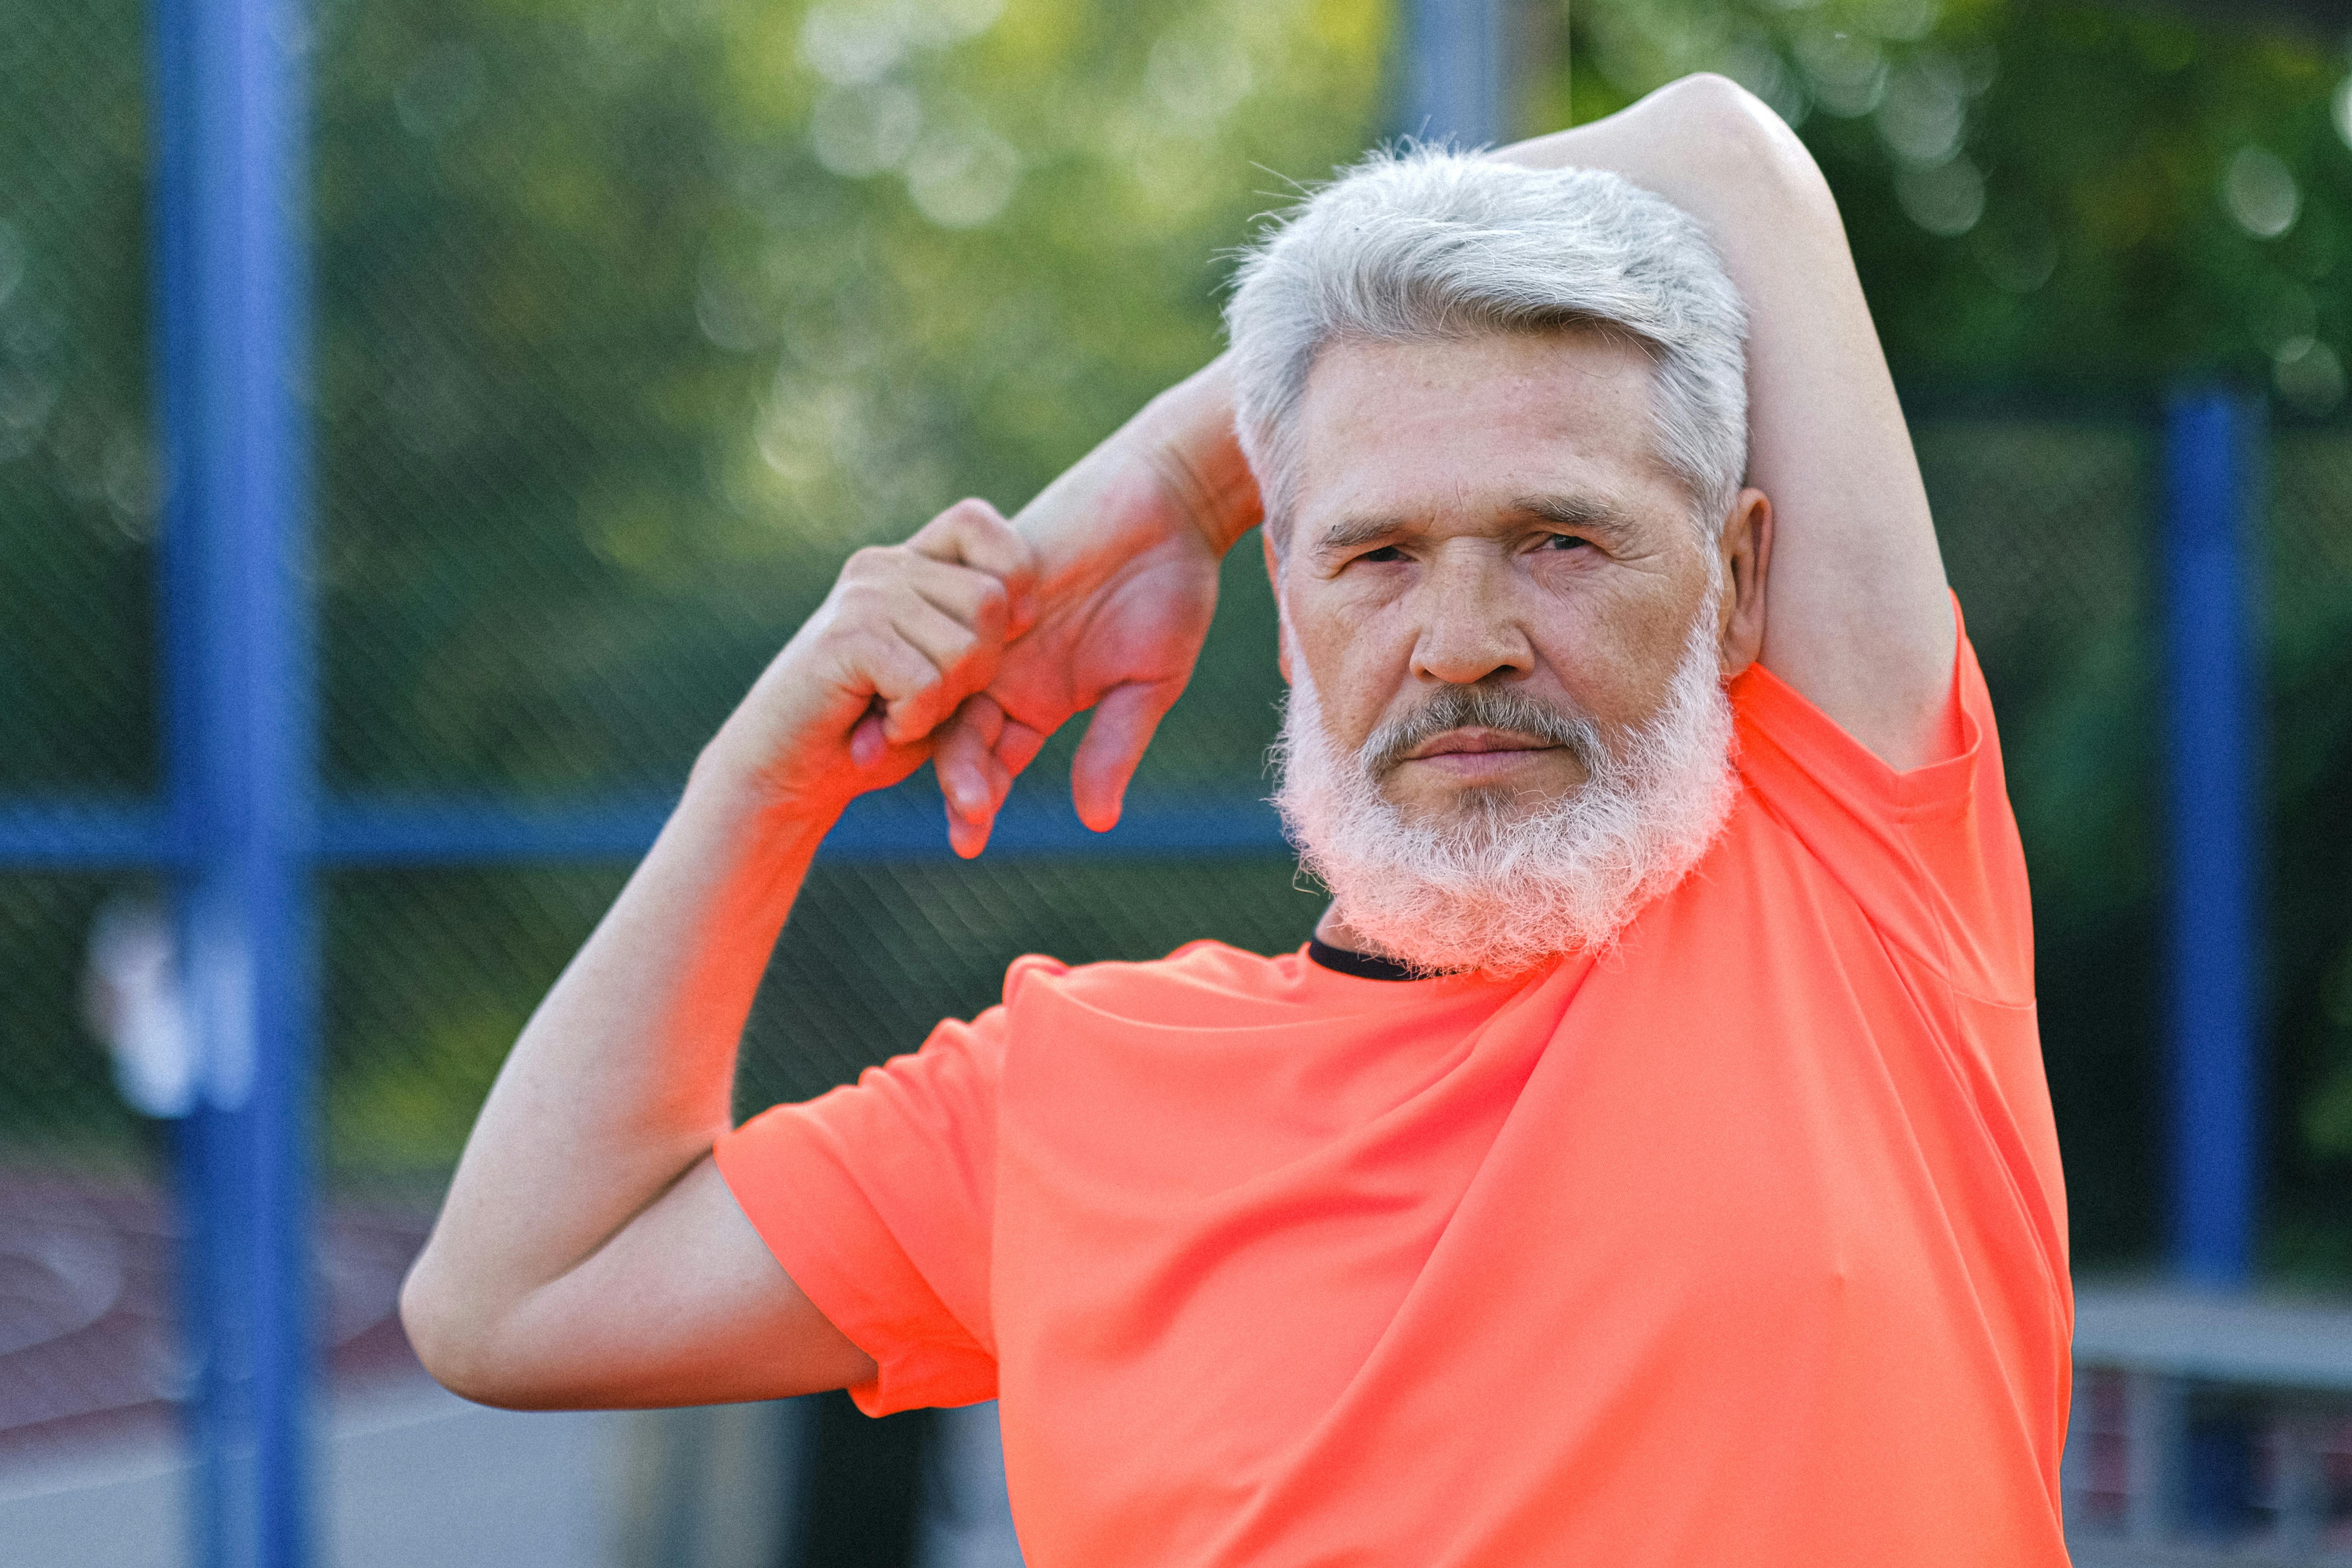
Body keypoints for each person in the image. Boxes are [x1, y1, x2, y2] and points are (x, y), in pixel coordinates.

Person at [401, 73, 2072, 1567]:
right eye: (1376, 555)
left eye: (1562, 540)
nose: (1465, 633)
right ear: (1289, 609)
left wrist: (1162, 487)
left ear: (1734, 584)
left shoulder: (1860, 880)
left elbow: (1719, 154)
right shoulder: (1061, 1095)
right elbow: (513, 1302)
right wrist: (763, 783)